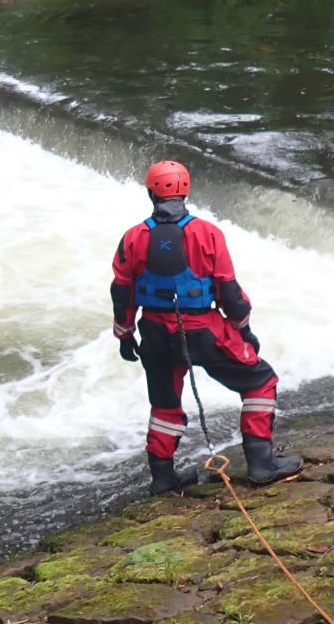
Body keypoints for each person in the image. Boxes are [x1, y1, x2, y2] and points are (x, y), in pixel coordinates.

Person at [110, 160, 302, 494]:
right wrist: (243, 328)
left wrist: (125, 335)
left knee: (164, 405)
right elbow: (228, 290)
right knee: (261, 382)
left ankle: (163, 478)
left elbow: (122, 291)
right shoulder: (207, 234)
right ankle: (261, 464)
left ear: (150, 191)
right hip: (202, 330)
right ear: (186, 190)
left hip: (154, 333)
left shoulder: (133, 237)